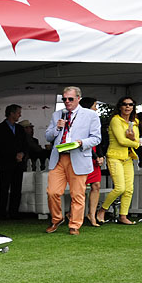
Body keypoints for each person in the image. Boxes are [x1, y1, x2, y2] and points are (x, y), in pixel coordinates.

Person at [45, 86, 102, 235]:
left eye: (70, 99)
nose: (67, 102)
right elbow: (48, 136)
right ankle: (57, 219)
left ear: (78, 99)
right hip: (59, 157)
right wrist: (57, 128)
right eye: (64, 99)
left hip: (78, 156)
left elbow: (96, 138)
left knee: (77, 194)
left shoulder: (91, 115)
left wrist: (82, 143)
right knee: (52, 192)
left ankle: (75, 225)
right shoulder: (57, 114)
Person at [96, 95, 139, 226]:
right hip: (114, 157)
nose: (127, 107)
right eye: (125, 104)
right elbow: (121, 140)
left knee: (129, 189)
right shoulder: (115, 120)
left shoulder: (135, 122)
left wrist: (132, 140)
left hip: (127, 158)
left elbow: (132, 139)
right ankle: (102, 210)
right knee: (120, 188)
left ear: (133, 107)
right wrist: (135, 142)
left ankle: (123, 216)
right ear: (120, 106)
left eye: (130, 104)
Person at [0, 104, 27, 219]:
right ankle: (2, 213)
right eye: (18, 112)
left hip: (18, 164)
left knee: (17, 189)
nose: (20, 115)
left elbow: (25, 144)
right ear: (11, 113)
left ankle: (14, 212)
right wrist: (14, 155)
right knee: (4, 189)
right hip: (5, 163)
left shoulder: (20, 129)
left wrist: (22, 154)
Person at [79, 97, 104, 227]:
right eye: (95, 106)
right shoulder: (80, 121)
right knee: (81, 188)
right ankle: (75, 214)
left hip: (94, 157)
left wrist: (100, 155)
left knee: (96, 186)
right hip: (83, 156)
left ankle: (92, 215)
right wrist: (95, 156)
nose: (96, 108)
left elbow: (98, 139)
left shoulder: (95, 120)